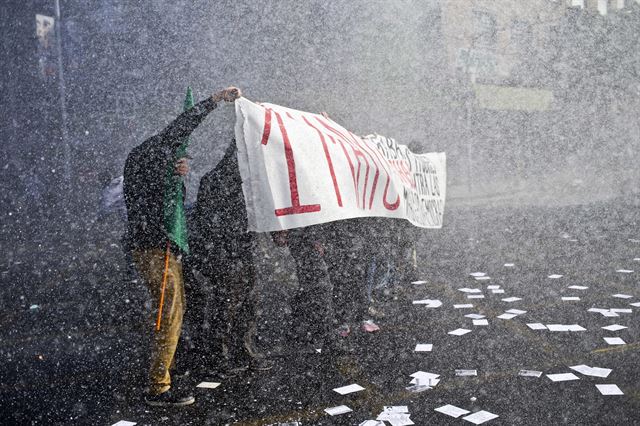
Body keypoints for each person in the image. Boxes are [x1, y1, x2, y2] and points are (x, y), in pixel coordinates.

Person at [123, 86, 241, 407]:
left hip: (160, 248)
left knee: (172, 312)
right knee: (170, 314)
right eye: (183, 157)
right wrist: (215, 100)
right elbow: (182, 126)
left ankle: (166, 370)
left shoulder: (146, 160)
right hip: (156, 249)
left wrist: (170, 172)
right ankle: (159, 387)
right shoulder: (154, 153)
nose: (185, 164)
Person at [188, 139, 274, 376]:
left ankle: (241, 347)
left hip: (242, 251)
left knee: (249, 302)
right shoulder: (215, 180)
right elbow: (211, 223)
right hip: (223, 253)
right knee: (226, 304)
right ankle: (219, 354)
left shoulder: (248, 182)